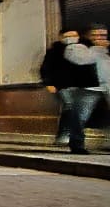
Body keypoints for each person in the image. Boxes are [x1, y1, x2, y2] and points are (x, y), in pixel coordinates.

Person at [60, 25, 107, 154]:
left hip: (105, 86)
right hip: (89, 88)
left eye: (102, 35)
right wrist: (100, 49)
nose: (99, 38)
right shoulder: (77, 48)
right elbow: (81, 60)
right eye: (95, 35)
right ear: (87, 36)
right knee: (80, 117)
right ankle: (77, 144)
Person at [40, 30, 78, 146]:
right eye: (68, 36)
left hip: (80, 86)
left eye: (74, 36)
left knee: (75, 110)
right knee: (69, 106)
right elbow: (45, 68)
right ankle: (63, 136)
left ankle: (74, 136)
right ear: (61, 37)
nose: (71, 38)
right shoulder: (54, 52)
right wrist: (48, 83)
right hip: (61, 85)